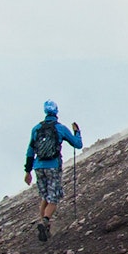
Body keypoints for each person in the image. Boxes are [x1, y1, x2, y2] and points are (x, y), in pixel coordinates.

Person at [23, 100, 83, 242]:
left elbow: (30, 151)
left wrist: (27, 171)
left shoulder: (36, 129)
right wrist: (77, 132)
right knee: (53, 198)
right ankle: (45, 221)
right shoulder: (60, 128)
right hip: (53, 166)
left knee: (44, 197)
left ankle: (45, 227)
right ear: (56, 112)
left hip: (38, 167)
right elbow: (77, 144)